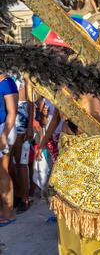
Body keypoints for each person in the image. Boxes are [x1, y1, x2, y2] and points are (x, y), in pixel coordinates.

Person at [11, 77, 34, 214]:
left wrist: (30, 126)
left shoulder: (24, 68)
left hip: (20, 111)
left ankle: (25, 198)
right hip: (5, 110)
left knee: (20, 159)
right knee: (8, 161)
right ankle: (18, 192)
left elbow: (30, 99)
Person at [0, 71, 18, 226]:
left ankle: (8, 212)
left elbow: (12, 112)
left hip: (3, 130)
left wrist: (3, 136)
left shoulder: (7, 82)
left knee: (3, 171)